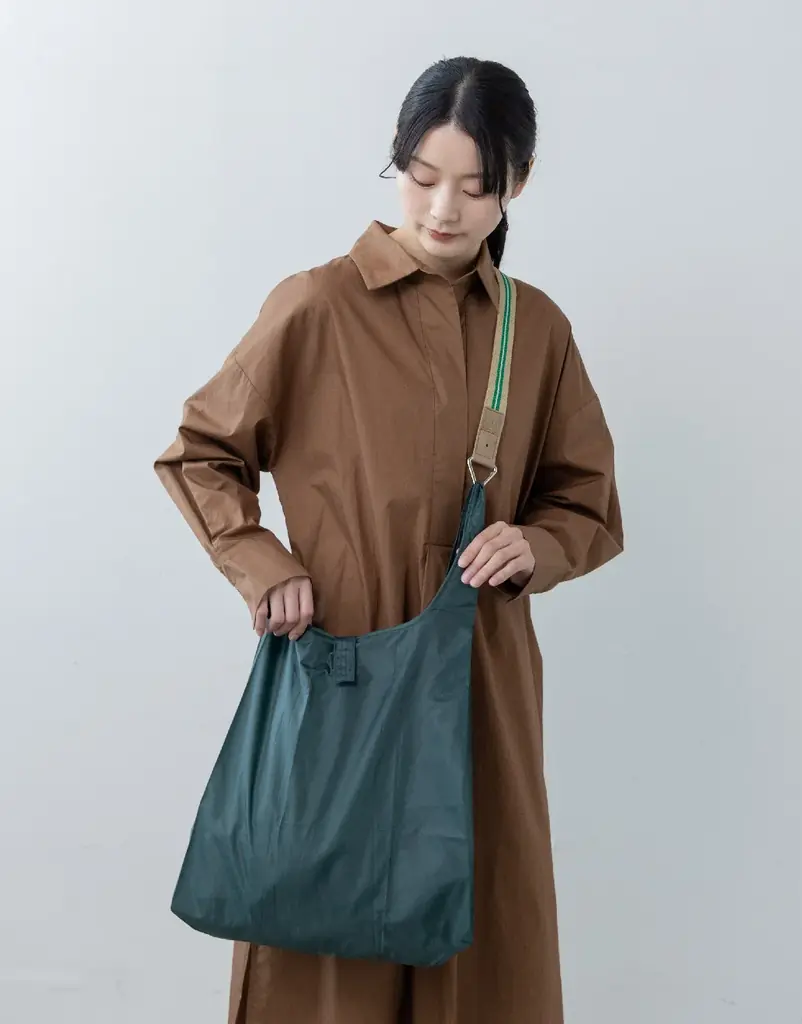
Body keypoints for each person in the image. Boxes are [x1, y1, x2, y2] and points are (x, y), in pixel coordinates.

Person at [155, 55, 623, 1024]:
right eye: (421, 176)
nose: (442, 208)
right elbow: (200, 452)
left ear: (518, 182)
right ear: (396, 163)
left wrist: (537, 546)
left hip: (480, 671)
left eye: (474, 186)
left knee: (482, 934)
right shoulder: (315, 305)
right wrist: (263, 563)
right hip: (341, 659)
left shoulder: (535, 330)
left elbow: (585, 498)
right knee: (320, 936)